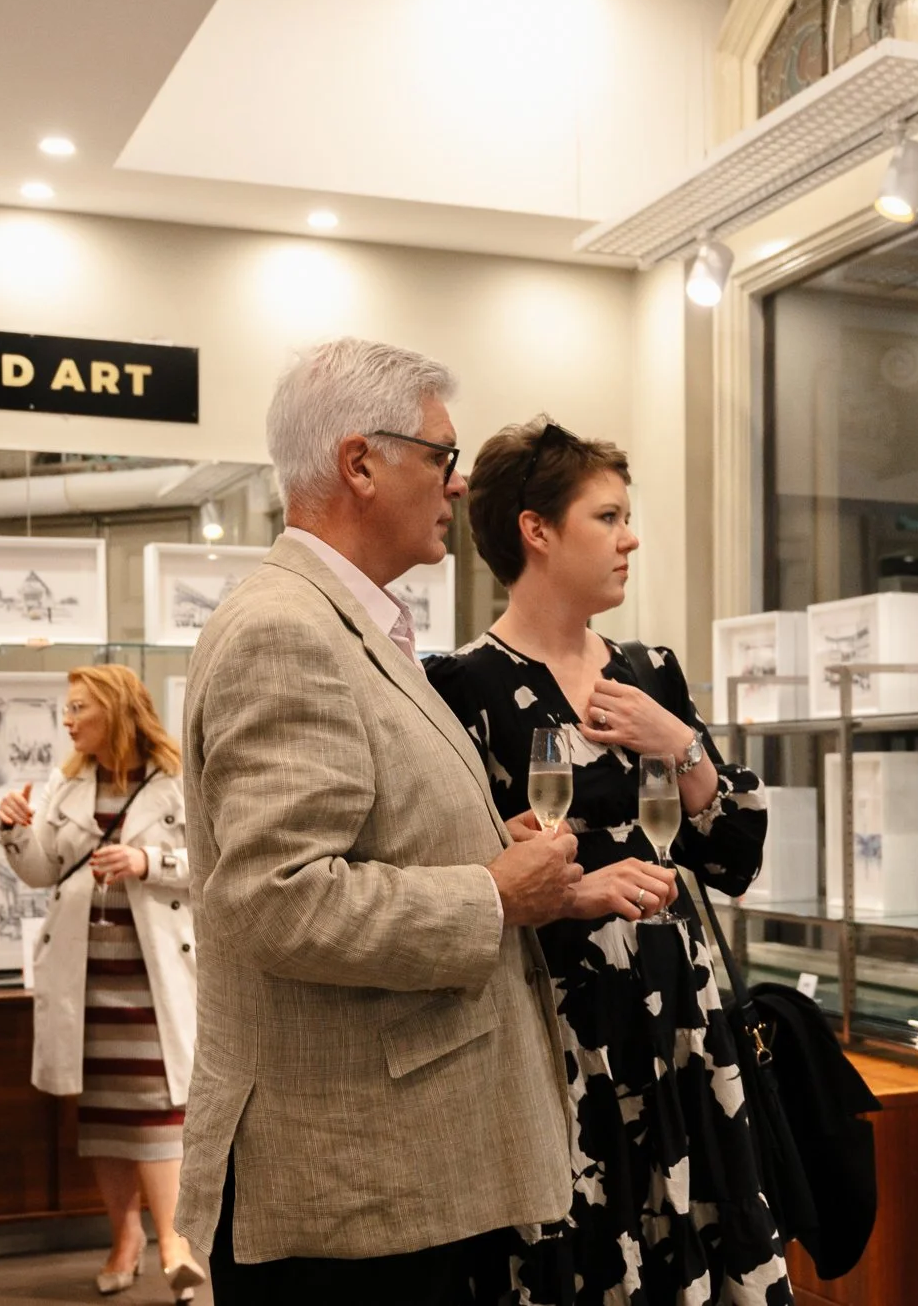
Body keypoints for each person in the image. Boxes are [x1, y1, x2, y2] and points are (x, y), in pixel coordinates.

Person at [178, 338, 585, 1305]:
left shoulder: (349, 624)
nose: (455, 486)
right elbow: (277, 899)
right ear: (360, 462)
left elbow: (360, 844)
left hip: (391, 1171)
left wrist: (485, 855)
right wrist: (490, 892)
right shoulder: (288, 629)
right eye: (443, 457)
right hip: (349, 1192)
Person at [426, 418, 789, 1306]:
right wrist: (575, 888)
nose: (630, 539)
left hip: (684, 1022)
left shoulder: (650, 670)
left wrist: (683, 744)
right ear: (536, 529)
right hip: (560, 1034)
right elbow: (466, 872)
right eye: (608, 516)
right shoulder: (461, 685)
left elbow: (735, 856)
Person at [0, 665, 203, 1300]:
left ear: (113, 710)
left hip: (154, 977)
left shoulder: (176, 781)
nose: (67, 719)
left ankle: (174, 1240)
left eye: (78, 707)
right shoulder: (67, 784)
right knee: (104, 1114)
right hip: (86, 980)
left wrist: (148, 861)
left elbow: (214, 864)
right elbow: (41, 869)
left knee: (160, 1113)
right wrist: (13, 829)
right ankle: (125, 1237)